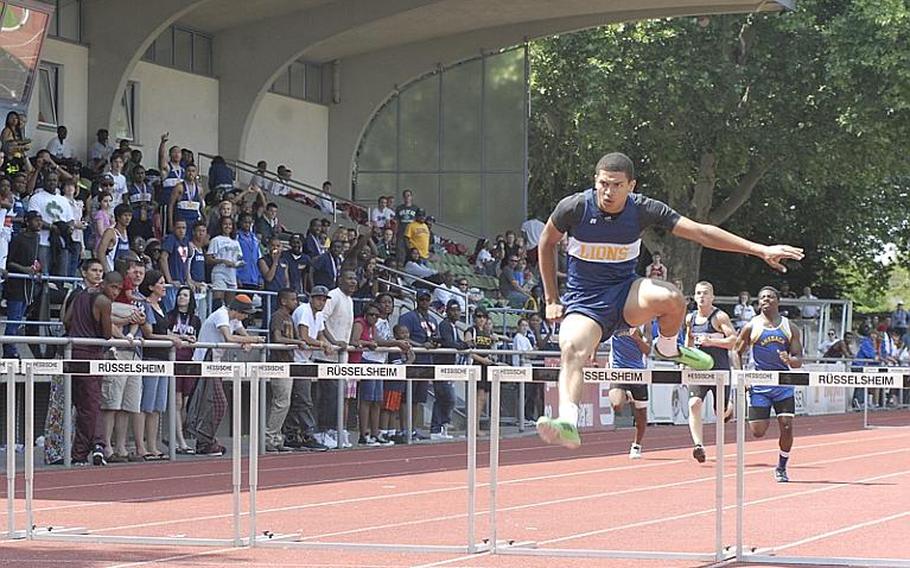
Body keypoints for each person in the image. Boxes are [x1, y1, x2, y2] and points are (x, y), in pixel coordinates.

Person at [535, 152, 803, 448]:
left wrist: (759, 249)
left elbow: (701, 233)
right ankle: (568, 422)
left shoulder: (643, 209)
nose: (608, 192)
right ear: (595, 182)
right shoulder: (574, 207)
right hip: (586, 302)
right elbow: (546, 242)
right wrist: (551, 298)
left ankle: (667, 346)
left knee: (672, 297)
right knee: (571, 348)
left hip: (626, 293)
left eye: (616, 185)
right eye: (602, 184)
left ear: (631, 186)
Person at [734, 286, 803, 483]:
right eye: (762, 297)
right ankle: (764, 411)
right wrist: (741, 376)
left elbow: (799, 359)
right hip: (759, 385)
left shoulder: (790, 327)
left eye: (770, 297)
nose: (766, 300)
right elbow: (735, 351)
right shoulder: (751, 326)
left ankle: (781, 467)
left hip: (783, 385)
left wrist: (790, 360)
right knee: (758, 432)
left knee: (787, 427)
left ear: (777, 301)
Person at [189, 294, 264, 456]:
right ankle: (205, 440)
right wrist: (255, 339)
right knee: (218, 403)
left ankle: (205, 440)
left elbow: (242, 335)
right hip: (205, 362)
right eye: (245, 313)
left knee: (213, 404)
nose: (246, 317)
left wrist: (247, 341)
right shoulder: (222, 314)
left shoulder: (234, 319)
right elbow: (229, 337)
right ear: (237, 310)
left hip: (215, 363)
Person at [685, 281, 736, 463]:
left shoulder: (719, 317)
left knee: (720, 412)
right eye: (698, 293)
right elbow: (688, 341)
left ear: (712, 297)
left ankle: (729, 407)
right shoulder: (690, 318)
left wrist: (712, 341)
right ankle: (698, 445)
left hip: (720, 369)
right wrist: (685, 361)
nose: (701, 297)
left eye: (705, 293)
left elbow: (733, 341)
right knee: (694, 404)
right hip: (699, 370)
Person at [288, 285, 334, 450]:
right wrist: (323, 344)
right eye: (319, 298)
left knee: (299, 400)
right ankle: (308, 434)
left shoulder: (319, 314)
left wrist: (326, 344)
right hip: (296, 360)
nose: (321, 302)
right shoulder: (304, 310)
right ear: (311, 298)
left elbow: (320, 334)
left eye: (323, 299)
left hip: (306, 360)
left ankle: (292, 434)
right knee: (304, 400)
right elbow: (304, 336)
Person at [265, 288, 306, 453]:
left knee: (284, 402)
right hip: (279, 363)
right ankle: (269, 438)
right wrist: (296, 341)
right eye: (293, 299)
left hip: (288, 362)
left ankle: (276, 437)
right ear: (283, 301)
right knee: (281, 402)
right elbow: (277, 338)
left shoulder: (289, 317)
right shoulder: (278, 316)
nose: (296, 302)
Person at [607, 327, 650, 458]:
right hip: (618, 370)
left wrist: (637, 338)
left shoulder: (645, 322)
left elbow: (648, 350)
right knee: (617, 405)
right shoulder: (616, 319)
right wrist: (593, 356)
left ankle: (636, 445)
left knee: (641, 416)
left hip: (638, 373)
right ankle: (626, 395)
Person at [167, 286, 200, 454]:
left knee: (186, 404)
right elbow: (165, 333)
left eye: (185, 295)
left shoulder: (195, 319)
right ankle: (180, 441)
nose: (181, 297)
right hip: (175, 360)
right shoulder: (170, 316)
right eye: (180, 294)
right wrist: (181, 337)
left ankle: (181, 437)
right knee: (177, 402)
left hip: (189, 362)